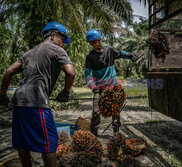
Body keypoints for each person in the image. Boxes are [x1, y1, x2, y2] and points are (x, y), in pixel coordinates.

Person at [0, 22, 75, 167]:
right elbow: (70, 73)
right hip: (37, 103)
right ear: (53, 35)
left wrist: (2, 95)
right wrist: (65, 92)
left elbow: (8, 72)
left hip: (19, 102)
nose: (63, 44)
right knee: (49, 143)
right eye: (62, 39)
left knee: (23, 143)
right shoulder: (56, 49)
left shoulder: (28, 53)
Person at [84, 29, 137, 137]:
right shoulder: (90, 57)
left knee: (115, 109)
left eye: (100, 39)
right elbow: (88, 73)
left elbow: (121, 53)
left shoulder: (109, 50)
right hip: (99, 88)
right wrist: (91, 85)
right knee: (95, 111)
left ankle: (116, 131)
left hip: (113, 86)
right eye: (95, 41)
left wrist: (130, 55)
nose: (99, 42)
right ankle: (94, 132)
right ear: (90, 43)